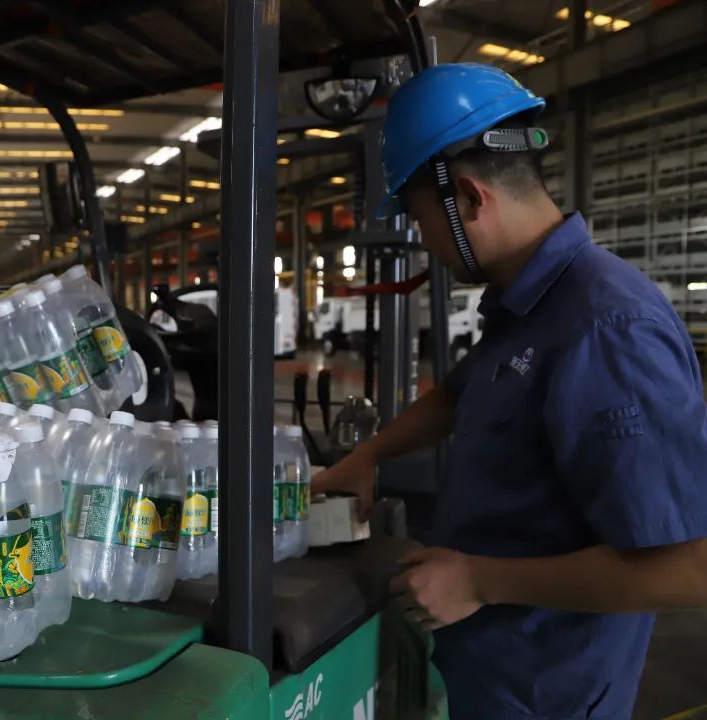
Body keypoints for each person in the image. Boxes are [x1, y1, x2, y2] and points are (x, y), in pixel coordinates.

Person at [313, 63, 707, 720]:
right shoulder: (529, 303)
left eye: (421, 221)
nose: (426, 244)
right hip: (487, 674)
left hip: (545, 693)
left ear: (469, 199)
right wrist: (369, 455)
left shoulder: (605, 326)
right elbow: (461, 394)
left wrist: (479, 580)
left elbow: (690, 567)